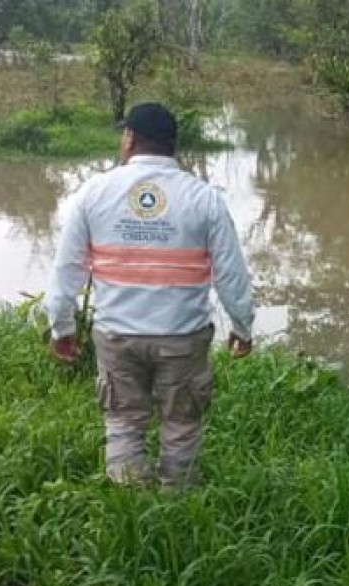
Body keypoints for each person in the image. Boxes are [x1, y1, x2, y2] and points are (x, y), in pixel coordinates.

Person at [45, 102, 255, 487]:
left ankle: (132, 510)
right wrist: (242, 326)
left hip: (117, 336)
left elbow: (66, 270)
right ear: (173, 145)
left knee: (123, 422)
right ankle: (177, 504)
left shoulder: (94, 192)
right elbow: (231, 275)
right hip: (182, 338)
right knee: (181, 423)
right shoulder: (204, 198)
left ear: (129, 139)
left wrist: (61, 327)